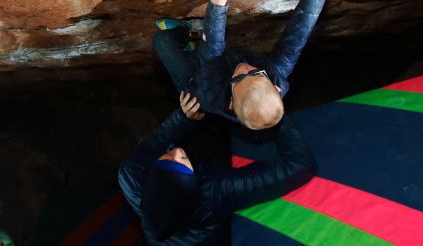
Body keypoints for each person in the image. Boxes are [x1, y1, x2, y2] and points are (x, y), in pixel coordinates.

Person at [153, 0, 345, 130]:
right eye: (255, 73)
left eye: (238, 80)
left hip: (197, 80)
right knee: (209, 40)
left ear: (231, 103)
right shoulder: (276, 77)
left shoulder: (213, 95)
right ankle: (189, 33)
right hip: (221, 60)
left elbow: (213, 52)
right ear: (276, 88)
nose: (244, 69)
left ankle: (188, 36)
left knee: (162, 40)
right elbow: (296, 38)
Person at [118, 91, 316, 243]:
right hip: (208, 234)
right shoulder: (214, 194)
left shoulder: (131, 173)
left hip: (195, 173)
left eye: (166, 160)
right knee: (220, 138)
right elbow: (299, 165)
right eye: (182, 163)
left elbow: (158, 140)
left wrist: (183, 118)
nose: (177, 152)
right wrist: (269, 108)